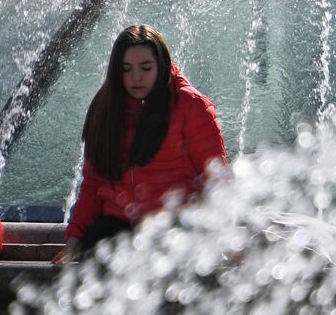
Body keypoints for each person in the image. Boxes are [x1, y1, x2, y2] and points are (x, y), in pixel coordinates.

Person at [54, 25, 227, 263]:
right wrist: (75, 237)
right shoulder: (106, 110)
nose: (136, 78)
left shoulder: (191, 106)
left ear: (162, 65)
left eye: (146, 68)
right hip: (118, 224)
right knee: (96, 266)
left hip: (174, 225)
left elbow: (215, 179)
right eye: (127, 69)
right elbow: (94, 184)